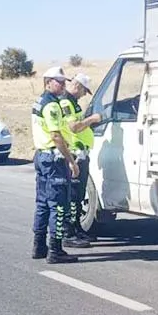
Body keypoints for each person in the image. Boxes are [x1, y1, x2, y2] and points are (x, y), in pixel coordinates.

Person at [31, 66, 79, 263]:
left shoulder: (39, 101)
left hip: (42, 156)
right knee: (58, 206)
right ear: (47, 82)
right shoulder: (51, 106)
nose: (62, 85)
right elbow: (56, 136)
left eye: (64, 82)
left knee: (42, 203)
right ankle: (55, 250)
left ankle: (39, 246)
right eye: (58, 82)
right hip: (53, 159)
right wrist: (71, 161)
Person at [62, 72, 102, 245]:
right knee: (73, 195)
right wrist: (91, 119)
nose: (84, 95)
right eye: (84, 91)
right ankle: (68, 233)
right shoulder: (66, 103)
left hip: (81, 153)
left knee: (78, 196)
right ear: (77, 86)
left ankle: (77, 228)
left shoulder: (74, 103)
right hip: (75, 154)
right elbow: (74, 127)